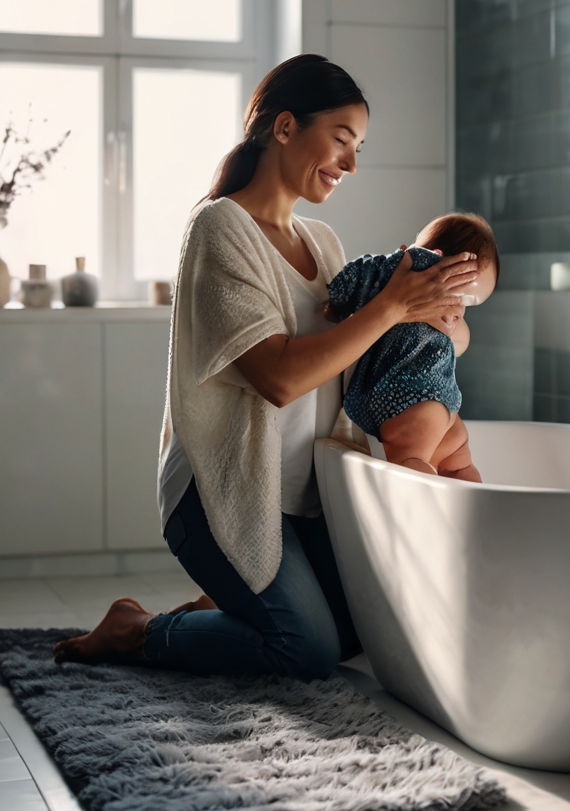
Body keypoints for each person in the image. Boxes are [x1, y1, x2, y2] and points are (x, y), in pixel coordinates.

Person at [53, 54, 478, 680]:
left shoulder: (324, 243)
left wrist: (441, 316)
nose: (351, 164)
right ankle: (137, 631)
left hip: (303, 494)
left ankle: (226, 605)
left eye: (358, 147)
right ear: (283, 128)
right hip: (220, 488)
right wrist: (390, 306)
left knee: (368, 623)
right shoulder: (219, 226)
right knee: (302, 650)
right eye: (340, 141)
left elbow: (377, 347)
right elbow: (278, 379)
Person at [326, 213, 499, 481]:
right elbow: (353, 279)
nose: (458, 311)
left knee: (432, 469)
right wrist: (334, 305)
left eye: (468, 305)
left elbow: (352, 280)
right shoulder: (405, 271)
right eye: (459, 299)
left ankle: (472, 517)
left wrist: (336, 304)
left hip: (435, 409)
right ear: (434, 259)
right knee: (437, 470)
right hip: (414, 404)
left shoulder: (407, 281)